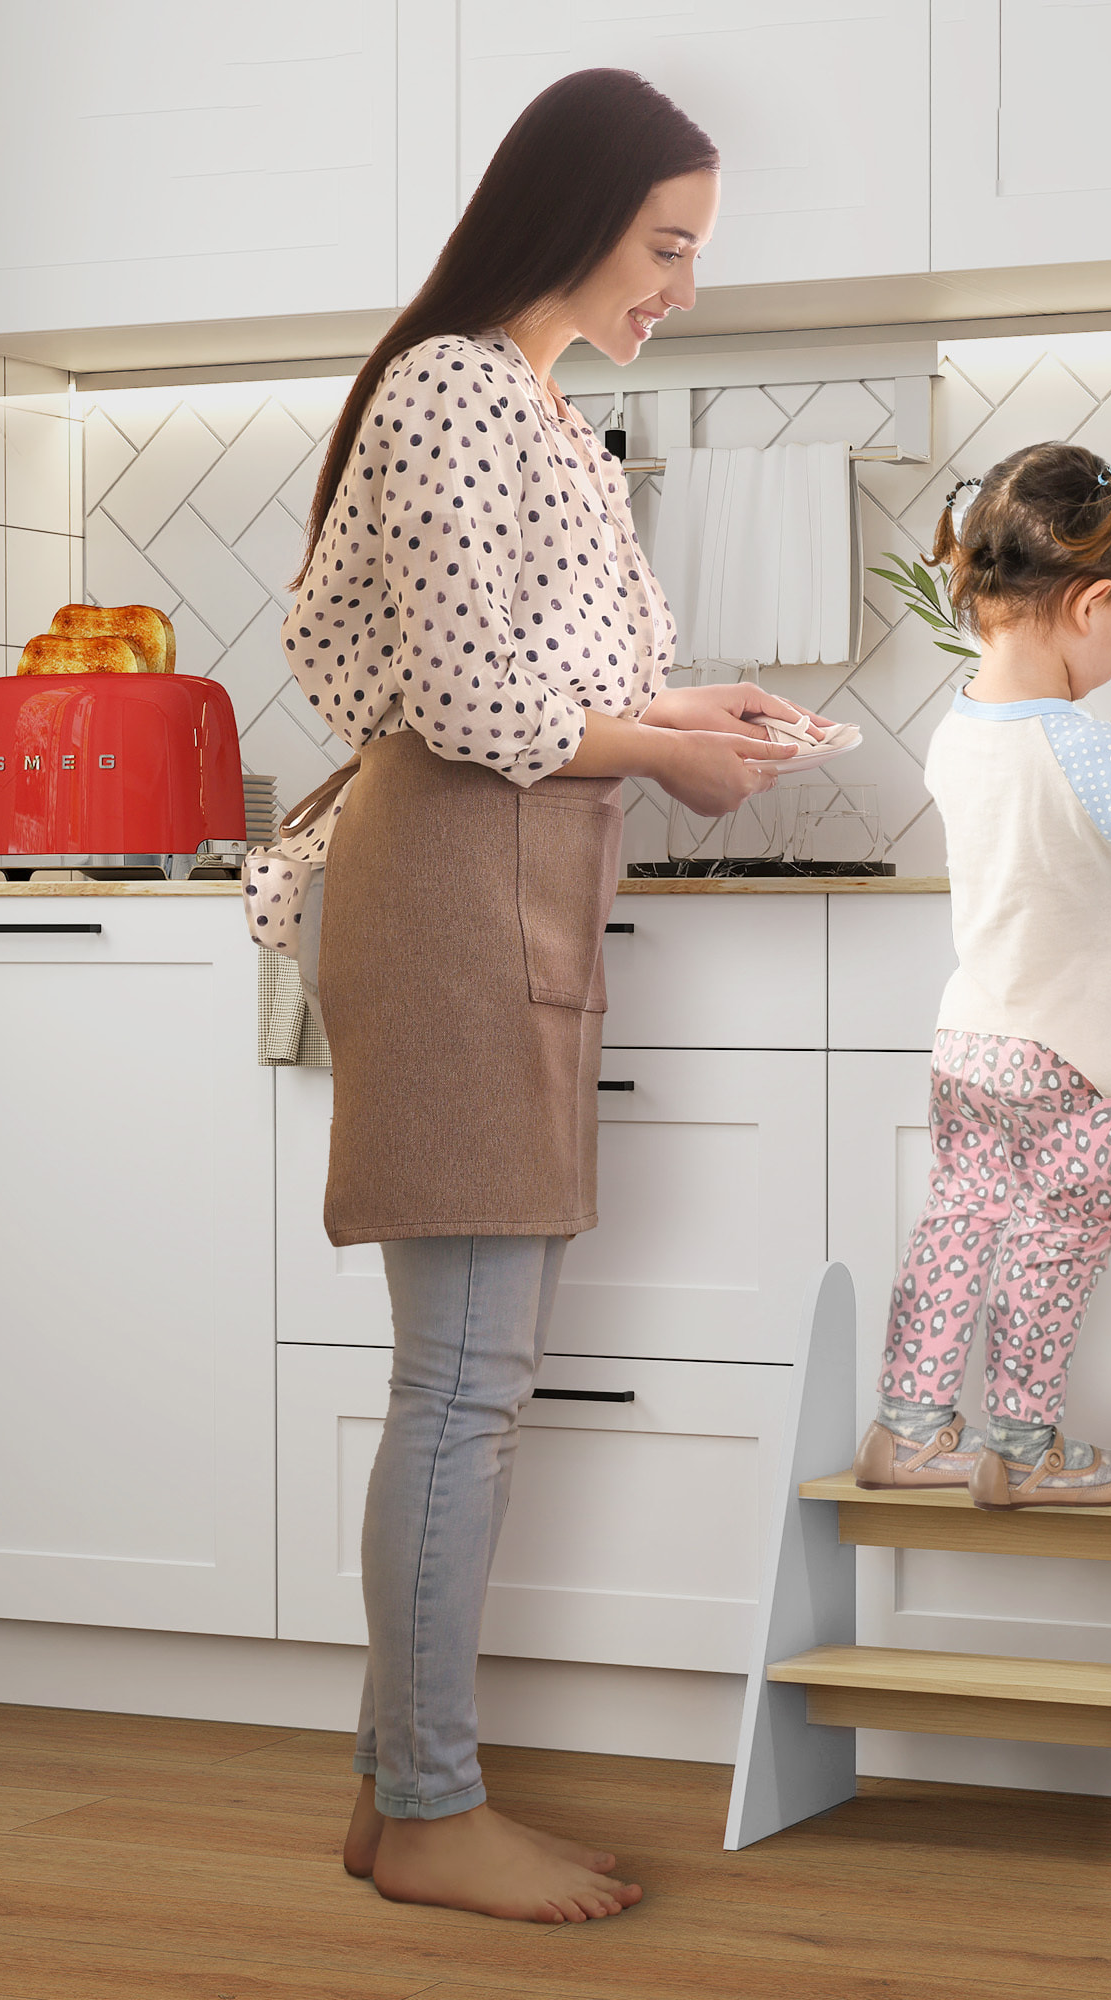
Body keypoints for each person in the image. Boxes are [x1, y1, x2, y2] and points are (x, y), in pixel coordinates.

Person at [272, 70, 826, 1925]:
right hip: (449, 891)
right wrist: (660, 759)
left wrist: (691, 719)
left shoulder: (532, 403)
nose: (680, 280)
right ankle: (430, 1812)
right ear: (571, 211)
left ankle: (393, 1798)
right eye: (666, 242)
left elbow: (530, 680)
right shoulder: (451, 390)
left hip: (504, 882)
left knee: (470, 1377)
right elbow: (469, 703)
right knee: (467, 1387)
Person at [850, 445, 1111, 1510]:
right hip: (1070, 1058)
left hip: (971, 1041)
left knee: (958, 1222)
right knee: (1055, 1240)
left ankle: (911, 1427)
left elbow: (1043, 783)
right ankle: (1022, 1446)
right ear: (1089, 601)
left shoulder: (957, 729)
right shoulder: (1097, 755)